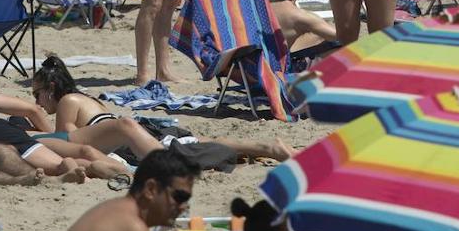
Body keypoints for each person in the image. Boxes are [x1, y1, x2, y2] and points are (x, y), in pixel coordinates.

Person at [31, 56, 293, 162]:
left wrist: (36, 126)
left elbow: (68, 141)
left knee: (185, 150)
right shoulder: (85, 98)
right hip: (137, 131)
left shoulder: (68, 101)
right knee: (193, 143)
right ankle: (261, 147)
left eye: (37, 94)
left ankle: (266, 148)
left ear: (52, 87)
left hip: (126, 140)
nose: (37, 102)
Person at [43, 150, 200, 231]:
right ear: (151, 189)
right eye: (180, 197)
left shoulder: (113, 209)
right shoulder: (132, 229)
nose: (183, 206)